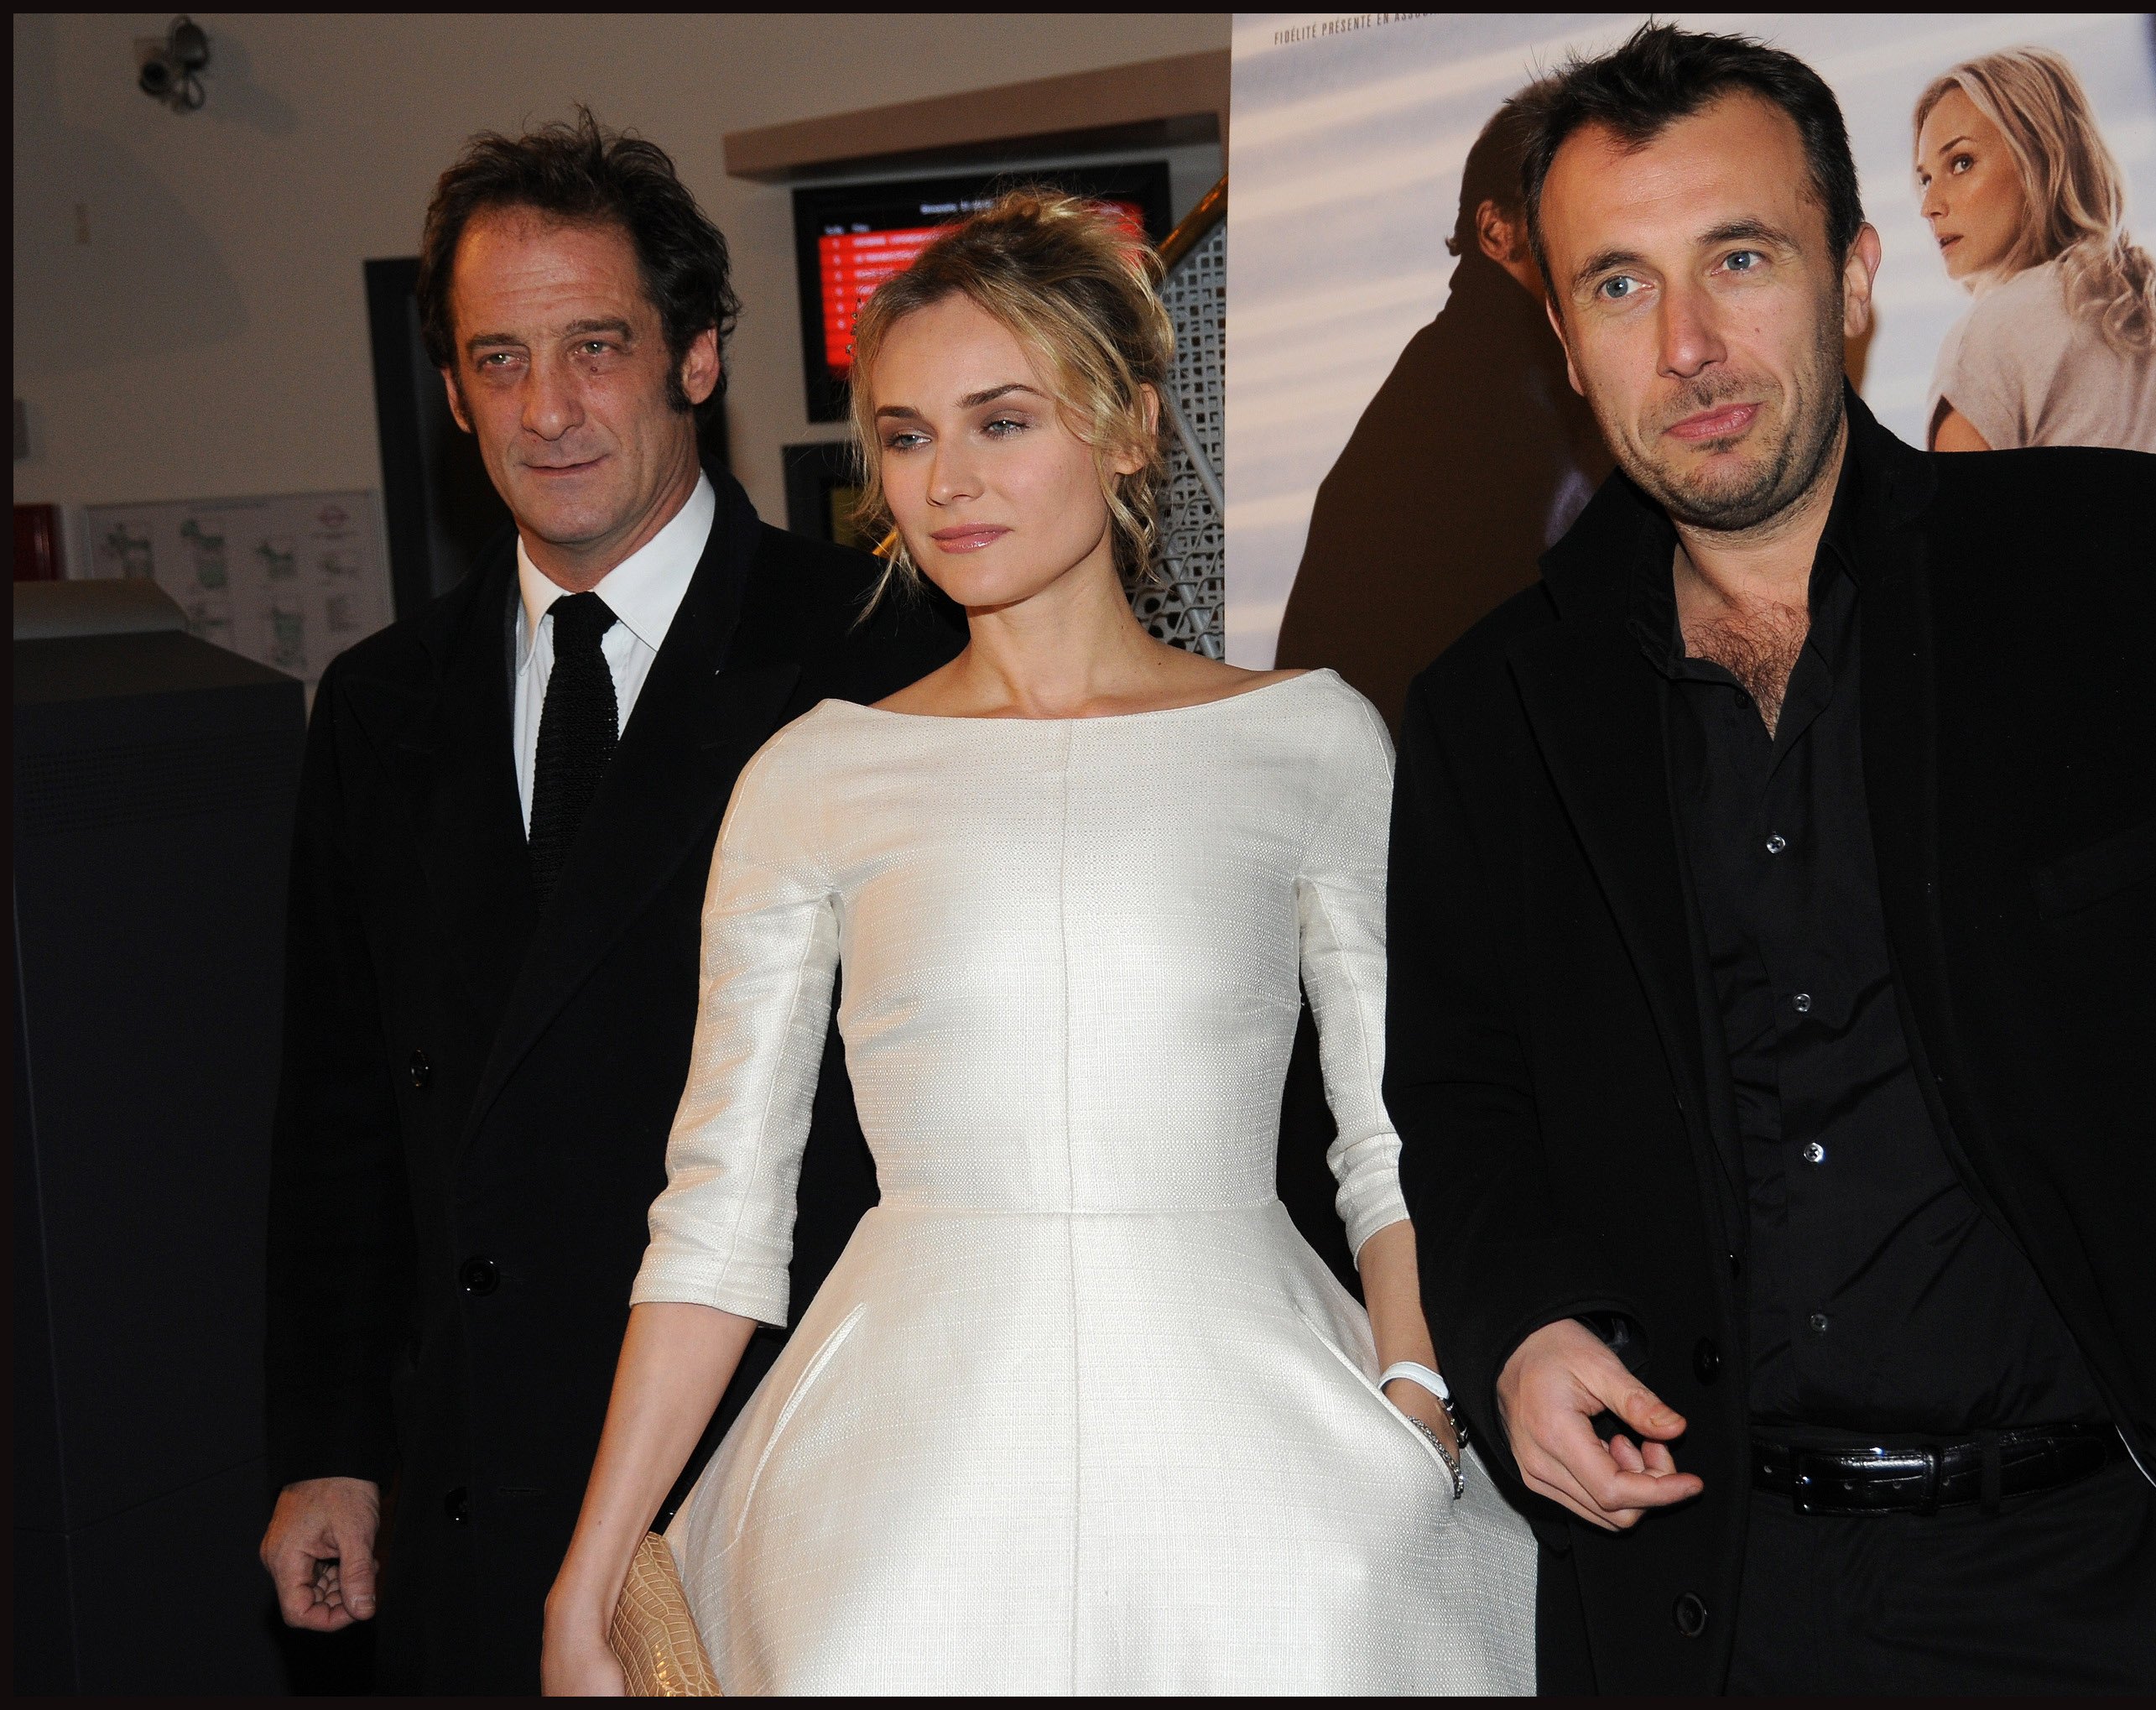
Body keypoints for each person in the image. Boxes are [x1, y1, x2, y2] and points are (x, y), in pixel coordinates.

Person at [1385, 23, 2156, 1696]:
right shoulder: (1488, 713)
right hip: (1710, 1605)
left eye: (1741, 258)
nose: (1688, 344)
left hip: (2118, 1584)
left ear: (1854, 275)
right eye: (1619, 284)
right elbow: (1466, 1103)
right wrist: (1518, 1324)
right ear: (1567, 340)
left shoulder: (2149, 583)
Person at [539, 191, 1535, 1696]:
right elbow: (720, 1213)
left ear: (1127, 427)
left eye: (1001, 421)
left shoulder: (1312, 741)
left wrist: (1416, 1396)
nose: (946, 481)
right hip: (897, 1465)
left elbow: (1392, 1133)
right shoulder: (815, 775)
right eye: (906, 435)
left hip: (1268, 1452)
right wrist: (591, 1567)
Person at [257, 113, 959, 1693]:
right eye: (497, 361)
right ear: (451, 394)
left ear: (696, 356)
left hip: (786, 1481)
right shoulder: (378, 703)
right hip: (478, 1493)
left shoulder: (884, 656)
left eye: (595, 347)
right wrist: (328, 1445)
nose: (548, 409)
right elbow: (340, 1119)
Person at [1276, 79, 1615, 734]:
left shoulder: (1458, 365)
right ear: (1495, 230)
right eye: (1561, 212)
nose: (1593, 244)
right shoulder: (1502, 382)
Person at [1914, 48, 2156, 461]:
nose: (1929, 206)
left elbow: (1962, 504)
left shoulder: (1982, 343)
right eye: (1925, 179)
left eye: (1961, 163)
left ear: (2041, 157)